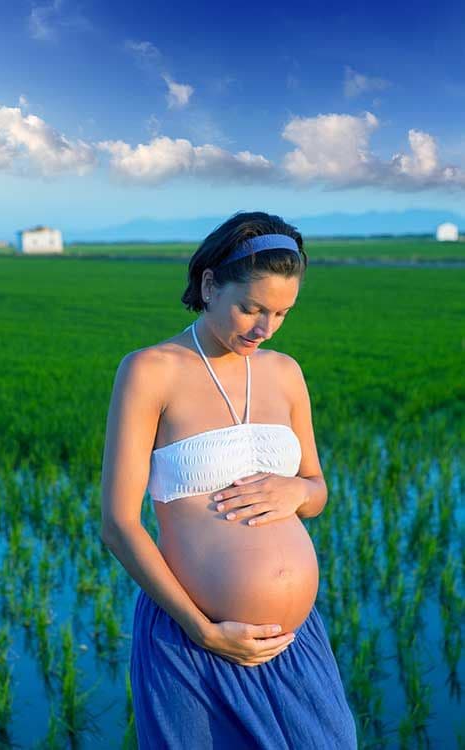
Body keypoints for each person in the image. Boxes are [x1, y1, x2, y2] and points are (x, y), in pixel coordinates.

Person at [100, 210, 358, 748]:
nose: (264, 328)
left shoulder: (285, 372)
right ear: (210, 285)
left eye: (283, 313)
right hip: (195, 643)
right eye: (251, 308)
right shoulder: (151, 370)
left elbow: (317, 489)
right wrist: (204, 630)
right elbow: (119, 524)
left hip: (294, 641)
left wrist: (299, 490)